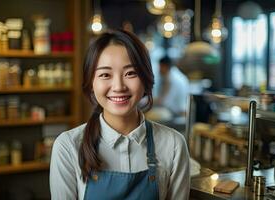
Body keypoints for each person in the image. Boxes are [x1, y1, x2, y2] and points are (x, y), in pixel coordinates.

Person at [49, 29, 190, 200]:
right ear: (91, 83)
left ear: (145, 79)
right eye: (105, 74)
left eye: (130, 73)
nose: (118, 86)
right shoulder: (68, 146)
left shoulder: (174, 145)